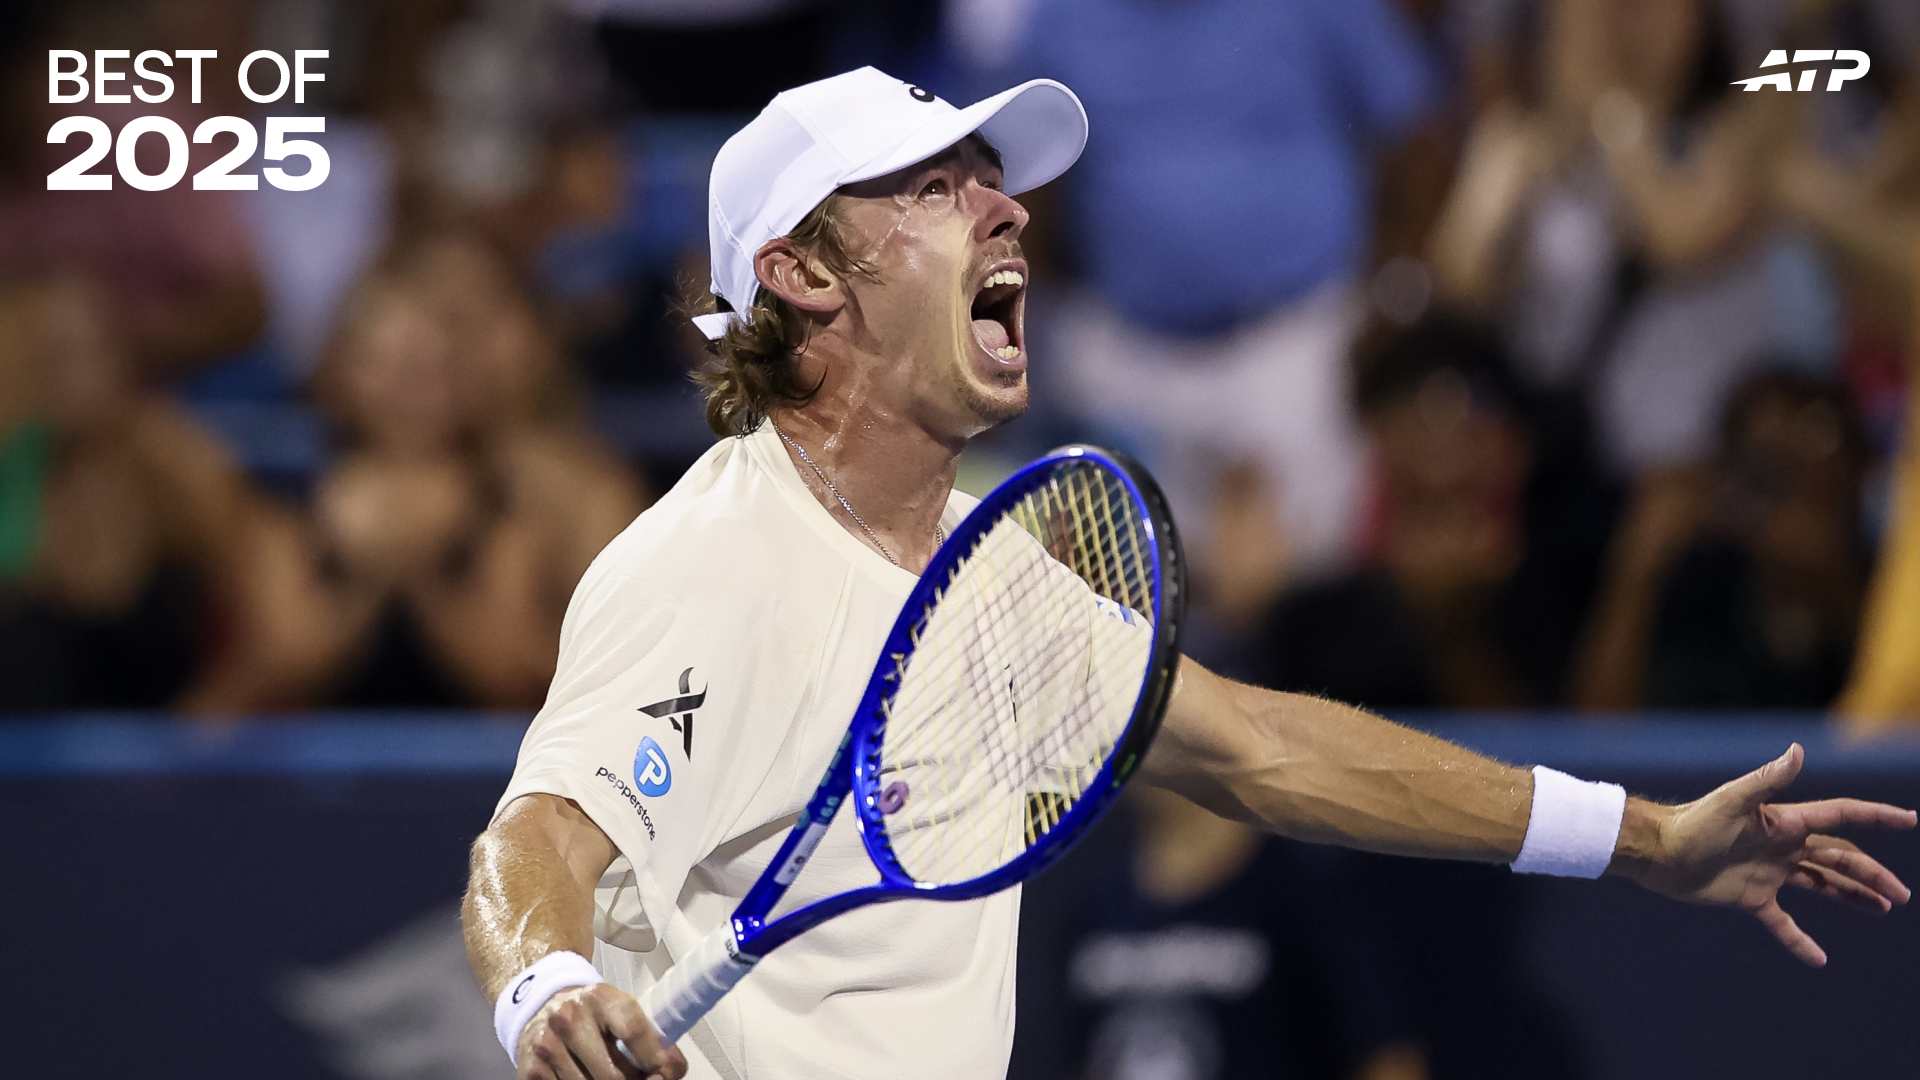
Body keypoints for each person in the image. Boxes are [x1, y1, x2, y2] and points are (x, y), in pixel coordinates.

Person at [460, 69, 1916, 1080]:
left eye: (998, 181)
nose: (1009, 209)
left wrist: (1645, 842)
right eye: (938, 186)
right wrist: (548, 983)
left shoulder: (987, 581)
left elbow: (1267, 751)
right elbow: (534, 845)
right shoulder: (710, 561)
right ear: (802, 274)